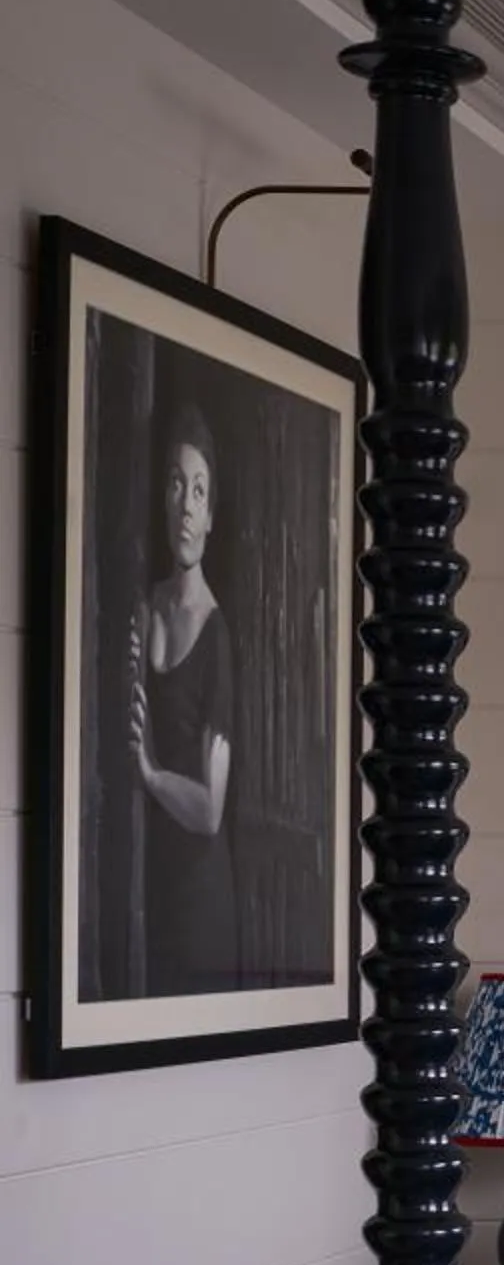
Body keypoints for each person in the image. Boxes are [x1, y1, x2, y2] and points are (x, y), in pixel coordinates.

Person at [122, 401, 240, 995]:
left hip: (202, 910)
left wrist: (148, 772)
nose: (186, 505)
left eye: (199, 490)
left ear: (211, 514)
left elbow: (209, 810)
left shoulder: (216, 635)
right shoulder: (144, 607)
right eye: (176, 484)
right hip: (151, 890)